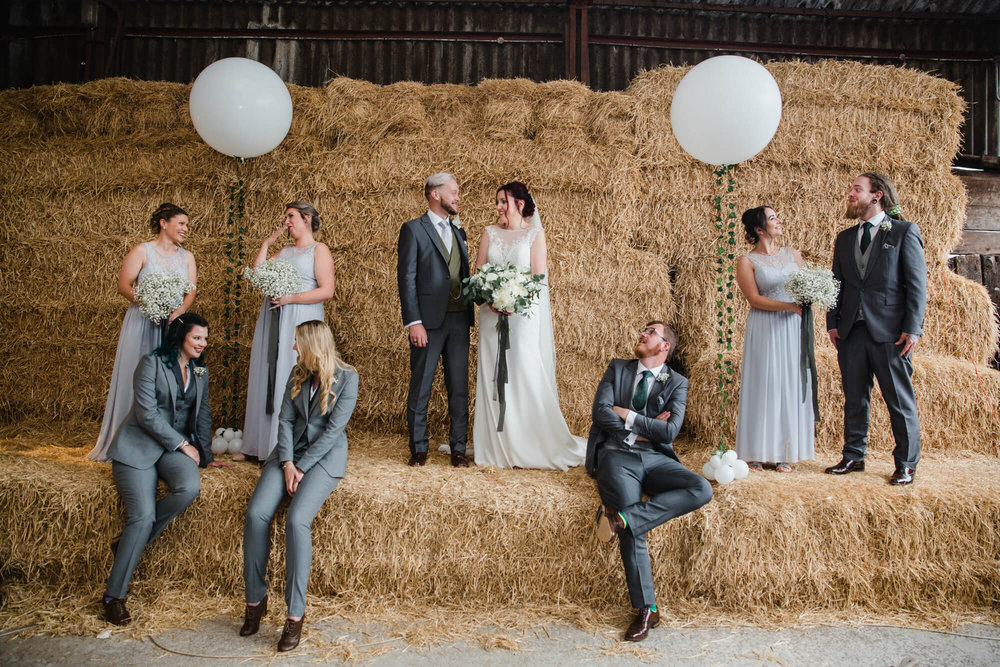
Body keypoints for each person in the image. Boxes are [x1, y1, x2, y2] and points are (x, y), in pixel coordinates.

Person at [587, 322, 712, 642]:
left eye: (651, 332)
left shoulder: (677, 382)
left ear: (664, 345)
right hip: (617, 455)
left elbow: (670, 432)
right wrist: (640, 428)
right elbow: (601, 412)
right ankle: (646, 609)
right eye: (643, 330)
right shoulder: (618, 368)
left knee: (701, 488)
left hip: (656, 459)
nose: (642, 334)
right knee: (634, 527)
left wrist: (627, 414)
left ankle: (621, 520)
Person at [239, 320, 359, 652]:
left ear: (312, 345)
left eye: (297, 343)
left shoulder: (348, 379)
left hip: (323, 458)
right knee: (256, 514)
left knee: (296, 521)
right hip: (289, 454)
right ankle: (255, 600)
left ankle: (294, 616)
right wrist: (289, 463)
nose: (293, 349)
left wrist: (303, 468)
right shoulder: (298, 372)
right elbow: (286, 419)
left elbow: (334, 431)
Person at [101, 314, 227, 626]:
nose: (203, 344)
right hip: (138, 448)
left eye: (205, 339)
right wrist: (183, 445)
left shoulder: (200, 371)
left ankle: (132, 542)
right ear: (181, 336)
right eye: (197, 338)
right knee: (141, 516)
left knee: (189, 487)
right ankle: (112, 597)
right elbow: (146, 414)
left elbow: (202, 414)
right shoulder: (151, 363)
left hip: (170, 451)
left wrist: (207, 456)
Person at [472, 181, 585, 469]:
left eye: (502, 202)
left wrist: (512, 301)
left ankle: (527, 442)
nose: (498, 207)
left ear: (519, 204)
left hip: (522, 317)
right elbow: (478, 272)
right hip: (490, 315)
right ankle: (495, 444)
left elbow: (538, 279)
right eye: (497, 202)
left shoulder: (535, 235)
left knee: (522, 371)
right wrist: (492, 300)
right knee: (492, 374)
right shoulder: (489, 233)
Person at [825, 172, 926, 485]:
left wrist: (913, 328)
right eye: (851, 189)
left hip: (891, 332)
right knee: (855, 398)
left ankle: (906, 464)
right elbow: (836, 284)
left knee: (899, 399)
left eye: (857, 189)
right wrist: (832, 323)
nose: (850, 194)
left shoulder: (903, 232)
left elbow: (916, 285)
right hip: (851, 332)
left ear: (877, 194)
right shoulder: (844, 238)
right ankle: (854, 455)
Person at [88, 203, 197, 462]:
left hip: (172, 325)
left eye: (186, 225)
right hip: (142, 320)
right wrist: (149, 304)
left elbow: (191, 291)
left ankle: (164, 440)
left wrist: (179, 310)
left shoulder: (187, 257)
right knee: (136, 373)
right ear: (164, 222)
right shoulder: (142, 250)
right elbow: (124, 285)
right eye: (181, 223)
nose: (185, 229)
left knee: (167, 380)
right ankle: (124, 441)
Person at [239, 201, 335, 462]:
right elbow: (258, 275)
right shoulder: (284, 251)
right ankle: (261, 444)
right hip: (275, 316)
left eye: (291, 217)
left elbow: (327, 290)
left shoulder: (319, 250)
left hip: (301, 316)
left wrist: (291, 298)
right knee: (270, 369)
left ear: (306, 218)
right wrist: (265, 246)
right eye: (286, 218)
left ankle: (288, 445)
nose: (287, 222)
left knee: (293, 370)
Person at [396, 173, 473, 467]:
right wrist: (413, 322)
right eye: (453, 192)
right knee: (421, 385)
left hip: (458, 321)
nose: (458, 197)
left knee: (459, 387)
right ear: (435, 195)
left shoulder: (459, 232)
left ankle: (458, 448)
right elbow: (407, 279)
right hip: (427, 323)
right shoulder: (414, 230)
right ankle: (418, 448)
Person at [733, 206, 814, 472]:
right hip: (765, 326)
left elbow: (807, 285)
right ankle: (756, 450)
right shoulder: (747, 261)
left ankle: (785, 452)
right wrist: (788, 306)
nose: (779, 221)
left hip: (792, 328)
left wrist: (811, 298)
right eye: (773, 218)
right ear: (759, 229)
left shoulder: (793, 254)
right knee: (764, 383)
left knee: (789, 383)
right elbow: (754, 299)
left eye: (778, 216)